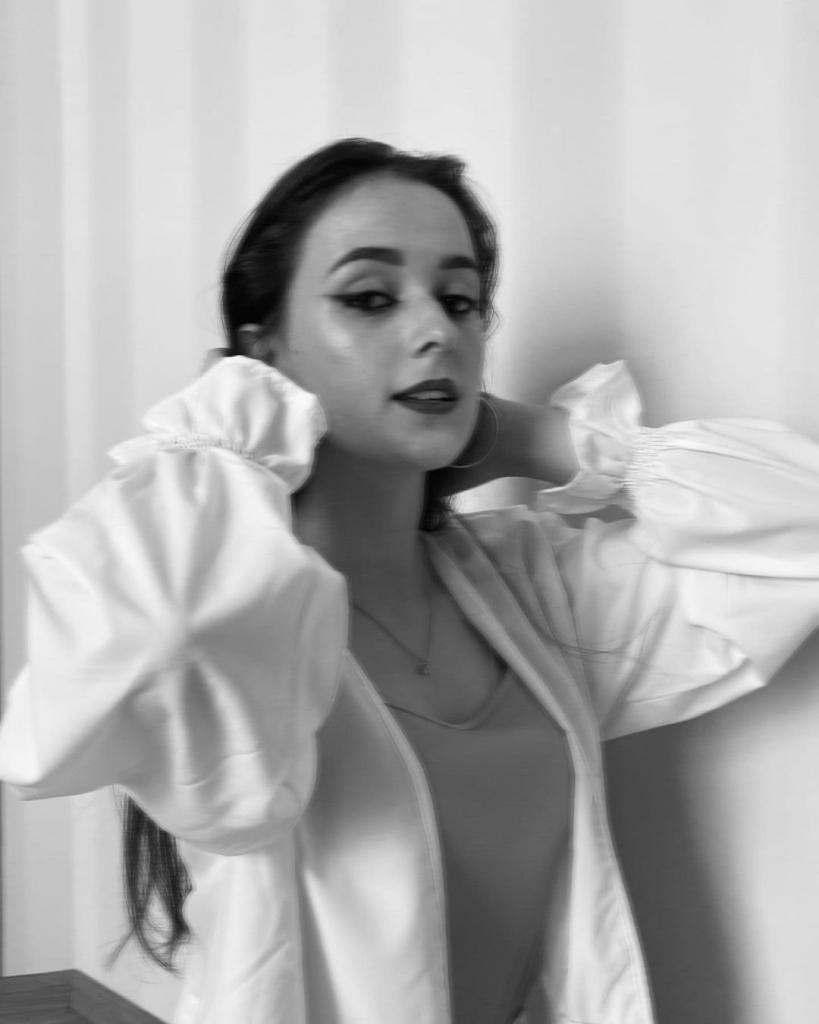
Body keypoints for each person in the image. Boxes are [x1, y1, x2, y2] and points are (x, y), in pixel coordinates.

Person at [2, 138, 819, 1024]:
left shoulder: (526, 586)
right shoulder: (241, 614)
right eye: (369, 297)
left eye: (460, 301)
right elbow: (148, 639)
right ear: (262, 353)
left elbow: (800, 533)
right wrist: (231, 437)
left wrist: (530, 438)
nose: (436, 331)